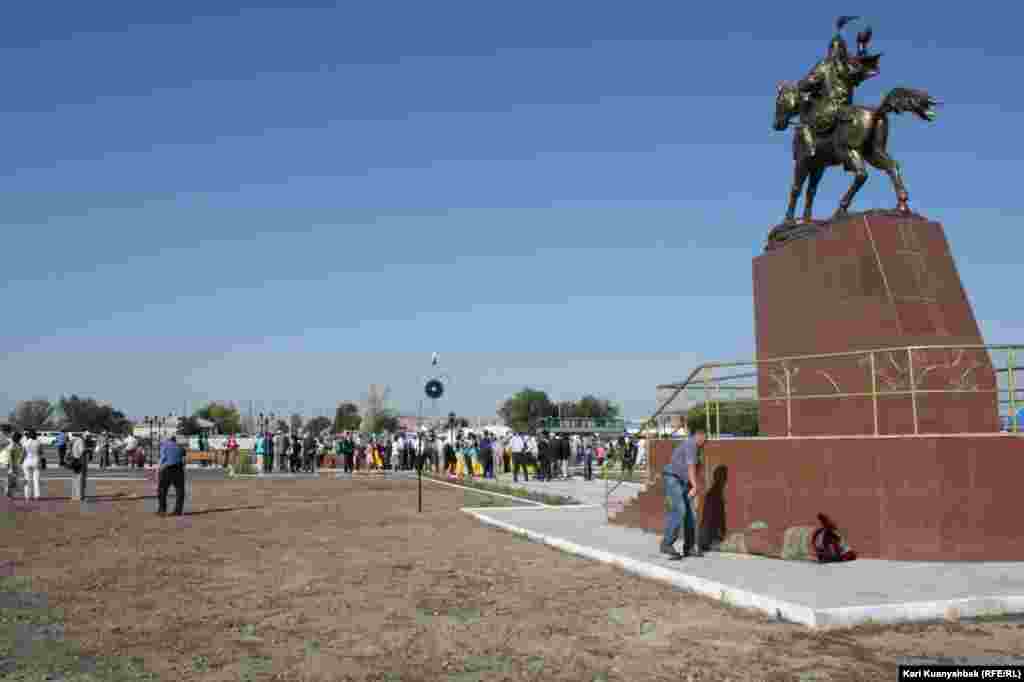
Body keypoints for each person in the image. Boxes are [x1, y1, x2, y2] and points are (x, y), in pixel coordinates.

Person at [660, 429, 707, 560]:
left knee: (690, 514)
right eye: (705, 439)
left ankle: (689, 547)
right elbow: (691, 466)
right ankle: (666, 544)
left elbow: (694, 468)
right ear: (699, 436)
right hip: (673, 478)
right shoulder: (691, 444)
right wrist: (696, 486)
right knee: (680, 510)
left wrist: (692, 485)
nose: (706, 442)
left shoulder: (696, 448)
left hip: (684, 482)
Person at [157, 435, 187, 516]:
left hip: (167, 469)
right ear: (175, 440)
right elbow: (184, 461)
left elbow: (163, 458)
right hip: (179, 469)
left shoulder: (164, 446)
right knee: (180, 490)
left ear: (168, 440)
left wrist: (159, 469)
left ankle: (162, 510)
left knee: (162, 490)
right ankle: (178, 510)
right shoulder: (181, 447)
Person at [1, 430, 24, 499]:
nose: (21, 439)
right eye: (20, 438)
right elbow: (10, 457)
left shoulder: (17, 444)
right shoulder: (12, 446)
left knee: (13, 479)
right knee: (12, 480)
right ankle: (8, 492)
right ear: (17, 438)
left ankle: (9, 492)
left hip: (15, 464)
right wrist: (11, 467)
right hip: (12, 464)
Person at [21, 430, 42, 500]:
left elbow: (23, 454)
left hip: (27, 461)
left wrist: (20, 462)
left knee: (27, 479)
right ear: (35, 435)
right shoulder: (38, 442)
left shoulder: (25, 442)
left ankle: (27, 496)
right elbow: (40, 452)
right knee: (36, 480)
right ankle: (37, 496)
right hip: (36, 461)